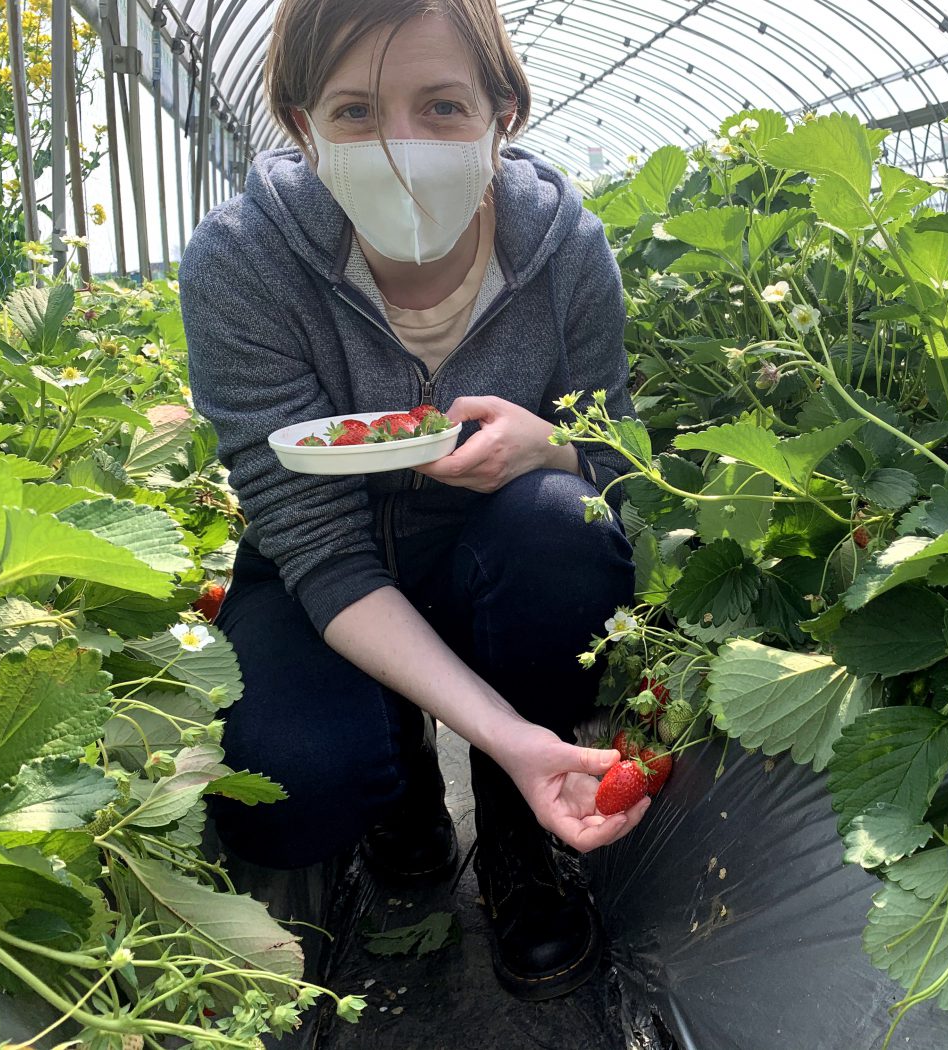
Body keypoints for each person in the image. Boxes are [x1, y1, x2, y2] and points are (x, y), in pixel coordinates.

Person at [179, 0, 650, 1003]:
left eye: (440, 106)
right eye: (353, 112)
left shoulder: (564, 249)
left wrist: (552, 447)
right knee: (288, 791)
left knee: (561, 525)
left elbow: (623, 456)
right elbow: (315, 542)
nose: (399, 148)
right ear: (300, 126)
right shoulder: (243, 264)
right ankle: (395, 779)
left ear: (502, 112)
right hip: (325, 569)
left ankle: (518, 824)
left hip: (494, 552)